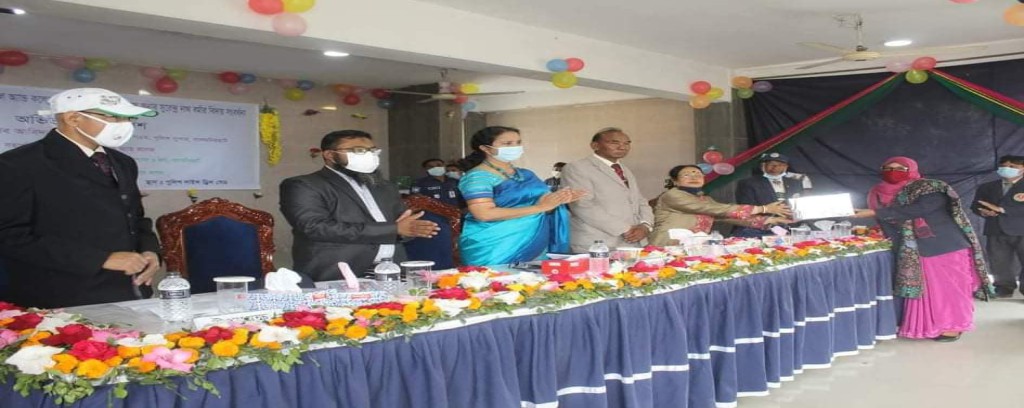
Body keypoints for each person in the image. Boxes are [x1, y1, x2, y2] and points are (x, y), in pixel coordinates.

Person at [0, 88, 162, 308]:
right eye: (113, 117)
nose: (123, 124)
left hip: (128, 289)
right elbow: (9, 236)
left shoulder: (123, 162)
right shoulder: (19, 164)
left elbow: (136, 217)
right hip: (61, 296)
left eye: (127, 118)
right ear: (73, 118)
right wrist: (101, 259)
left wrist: (150, 251)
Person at [854, 156, 990, 342]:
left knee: (949, 288)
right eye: (888, 168)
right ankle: (926, 325)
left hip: (943, 245)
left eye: (900, 168)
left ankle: (953, 326)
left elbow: (920, 209)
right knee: (926, 290)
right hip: (911, 248)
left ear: (912, 170)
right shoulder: (877, 192)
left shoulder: (930, 187)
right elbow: (889, 220)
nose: (893, 172)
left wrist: (875, 213)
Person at [280, 130, 439, 280]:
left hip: (392, 269)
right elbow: (314, 227)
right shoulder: (304, 185)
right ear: (329, 155)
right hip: (336, 272)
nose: (369, 155)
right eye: (359, 150)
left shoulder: (385, 186)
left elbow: (400, 225)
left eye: (373, 150)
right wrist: (394, 229)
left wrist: (411, 230)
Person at [458, 126, 586, 265]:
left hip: (534, 241)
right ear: (485, 148)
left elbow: (544, 203)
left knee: (534, 278)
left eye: (518, 142)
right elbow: (484, 214)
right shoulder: (477, 177)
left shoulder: (526, 174)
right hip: (495, 246)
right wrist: (540, 207)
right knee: (498, 279)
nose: (515, 147)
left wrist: (559, 199)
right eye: (507, 143)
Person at [561, 128, 654, 253]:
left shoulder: (624, 169)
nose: (622, 147)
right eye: (614, 142)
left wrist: (645, 226)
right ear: (595, 145)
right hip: (598, 242)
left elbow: (640, 200)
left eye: (627, 143)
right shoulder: (577, 168)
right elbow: (582, 205)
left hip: (633, 242)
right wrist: (626, 229)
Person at [649, 165, 791, 246]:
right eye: (687, 175)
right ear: (675, 181)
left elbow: (725, 216)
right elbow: (715, 209)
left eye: (698, 174)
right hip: (668, 246)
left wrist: (770, 220)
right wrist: (764, 208)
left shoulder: (704, 198)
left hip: (694, 247)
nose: (694, 177)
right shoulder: (672, 195)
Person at [971, 155, 1024, 298]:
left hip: (1021, 229)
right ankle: (1003, 287)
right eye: (1004, 166)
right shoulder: (987, 187)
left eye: (1012, 167)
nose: (1007, 169)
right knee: (999, 260)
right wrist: (983, 211)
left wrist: (1002, 209)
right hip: (995, 229)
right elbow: (976, 205)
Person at [734, 152, 806, 237]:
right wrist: (768, 211)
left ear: (786, 167)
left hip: (790, 226)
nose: (775, 167)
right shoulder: (748, 183)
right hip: (760, 229)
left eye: (780, 165)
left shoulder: (796, 183)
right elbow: (746, 208)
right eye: (771, 164)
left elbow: (801, 205)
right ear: (763, 166)